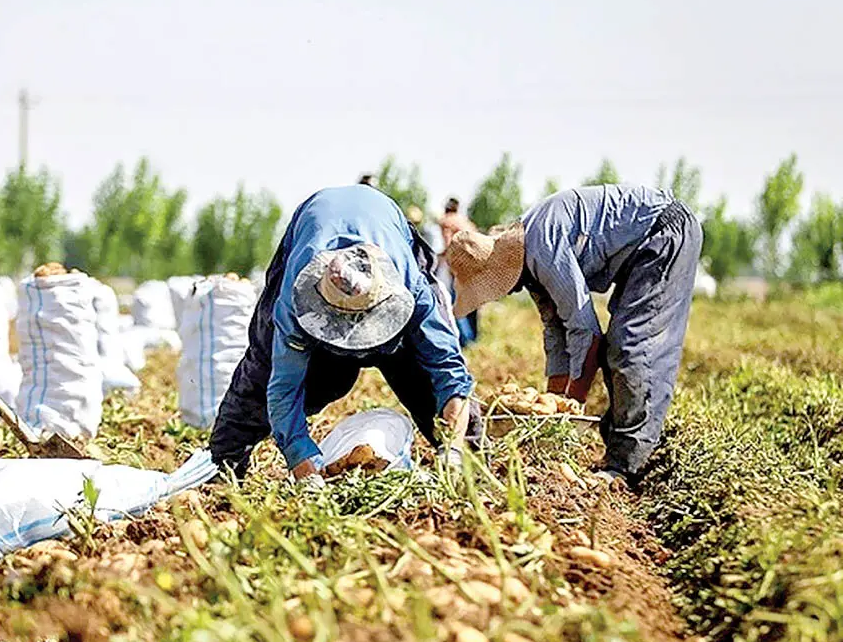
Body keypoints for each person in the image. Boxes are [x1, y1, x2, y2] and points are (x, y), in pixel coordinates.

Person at [209, 184, 477, 482]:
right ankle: (223, 464)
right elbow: (283, 389)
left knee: (424, 380)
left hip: (383, 221)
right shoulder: (294, 303)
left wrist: (454, 448)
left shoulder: (413, 290)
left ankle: (471, 467)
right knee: (262, 372)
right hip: (313, 222)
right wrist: (302, 463)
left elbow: (448, 370)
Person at [445, 184, 702, 485]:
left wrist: (566, 415)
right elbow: (556, 335)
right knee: (618, 347)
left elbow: (586, 332)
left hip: (664, 232)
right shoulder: (528, 265)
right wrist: (551, 405)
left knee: (631, 347)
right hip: (640, 248)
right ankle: (619, 448)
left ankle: (627, 465)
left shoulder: (541, 247)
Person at [436, 197, 479, 344]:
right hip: (473, 265)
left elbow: (450, 244)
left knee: (457, 304)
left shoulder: (447, 221)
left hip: (458, 266)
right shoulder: (467, 223)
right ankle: (474, 338)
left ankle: (465, 341)